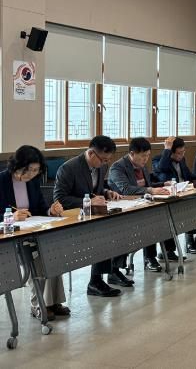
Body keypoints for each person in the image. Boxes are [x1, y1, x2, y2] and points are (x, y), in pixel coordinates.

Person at [0, 146, 69, 320]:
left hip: (33, 231)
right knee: (36, 258)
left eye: (36, 170)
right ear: (17, 165)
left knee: (53, 251)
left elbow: (40, 207)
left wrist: (50, 211)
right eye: (29, 169)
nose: (31, 174)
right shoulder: (1, 181)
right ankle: (38, 304)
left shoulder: (32, 182)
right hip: (10, 237)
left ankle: (54, 302)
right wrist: (11, 216)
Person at [53, 136, 127, 296]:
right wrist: (87, 201)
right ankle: (95, 282)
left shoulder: (100, 166)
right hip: (74, 219)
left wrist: (107, 192)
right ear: (91, 153)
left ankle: (112, 271)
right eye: (103, 159)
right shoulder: (69, 168)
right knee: (103, 232)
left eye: (108, 160)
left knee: (119, 225)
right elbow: (60, 199)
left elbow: (95, 190)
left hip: (93, 216)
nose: (106, 163)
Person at [108, 137, 177, 272]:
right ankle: (147, 258)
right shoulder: (118, 167)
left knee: (162, 216)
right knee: (150, 221)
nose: (146, 159)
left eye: (148, 155)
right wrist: (150, 190)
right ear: (132, 153)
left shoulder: (141, 165)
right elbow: (126, 189)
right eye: (143, 156)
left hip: (142, 205)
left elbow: (147, 186)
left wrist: (163, 184)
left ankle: (162, 253)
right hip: (124, 210)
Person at [152, 136, 196, 254]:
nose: (181, 155)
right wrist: (167, 150)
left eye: (183, 152)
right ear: (170, 152)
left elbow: (188, 176)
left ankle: (194, 239)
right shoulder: (158, 160)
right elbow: (162, 168)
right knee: (184, 211)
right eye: (178, 153)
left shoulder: (182, 160)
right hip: (169, 198)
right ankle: (174, 249)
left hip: (184, 193)